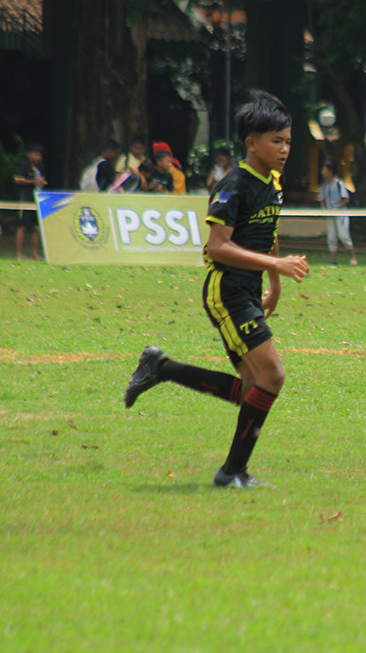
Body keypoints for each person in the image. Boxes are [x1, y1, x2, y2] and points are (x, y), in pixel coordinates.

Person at [124, 89, 310, 488]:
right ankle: (231, 472)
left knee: (251, 390)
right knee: (272, 376)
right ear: (252, 144)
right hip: (226, 291)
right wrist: (275, 265)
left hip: (249, 288)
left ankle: (162, 367)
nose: (284, 149)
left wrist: (274, 284)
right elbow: (218, 247)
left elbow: (267, 232)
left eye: (288, 141)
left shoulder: (274, 181)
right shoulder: (232, 187)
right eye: (276, 141)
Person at [319, 160, 357, 266]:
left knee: (343, 236)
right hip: (330, 215)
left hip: (341, 214)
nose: (322, 172)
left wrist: (336, 208)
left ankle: (353, 257)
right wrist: (324, 210)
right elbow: (321, 198)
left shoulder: (339, 183)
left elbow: (346, 199)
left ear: (330, 171)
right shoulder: (324, 185)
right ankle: (333, 260)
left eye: (324, 170)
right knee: (331, 237)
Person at [13, 142, 46, 260]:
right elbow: (18, 179)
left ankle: (34, 253)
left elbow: (41, 180)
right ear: (29, 154)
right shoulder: (25, 166)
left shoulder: (40, 167)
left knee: (37, 227)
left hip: (37, 198)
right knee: (23, 226)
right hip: (25, 198)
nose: (38, 157)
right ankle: (19, 254)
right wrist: (33, 182)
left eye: (40, 155)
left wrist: (41, 183)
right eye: (36, 154)